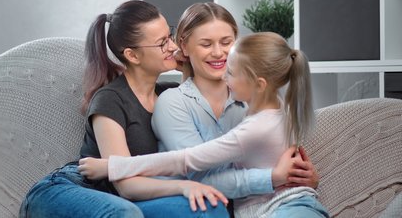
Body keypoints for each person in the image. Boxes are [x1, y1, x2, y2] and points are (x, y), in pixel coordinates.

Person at [79, 32, 330, 217]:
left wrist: (112, 166)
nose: (224, 76)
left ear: (259, 84)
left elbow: (185, 160)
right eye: (206, 44)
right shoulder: (277, 108)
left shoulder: (254, 128)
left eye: (231, 72)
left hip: (288, 209)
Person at [19, 0, 230, 218]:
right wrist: (183, 187)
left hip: (126, 204)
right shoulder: (110, 99)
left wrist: (189, 63)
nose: (173, 47)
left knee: (209, 205)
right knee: (124, 213)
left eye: (170, 36)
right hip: (70, 191)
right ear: (132, 55)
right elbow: (126, 186)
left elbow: (198, 96)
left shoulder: (171, 95)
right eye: (162, 43)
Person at [150, 3, 320, 216]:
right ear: (184, 47)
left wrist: (303, 177)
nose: (218, 52)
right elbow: (200, 179)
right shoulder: (172, 103)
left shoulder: (259, 98)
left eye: (226, 42)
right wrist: (273, 177)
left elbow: (288, 160)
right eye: (206, 44)